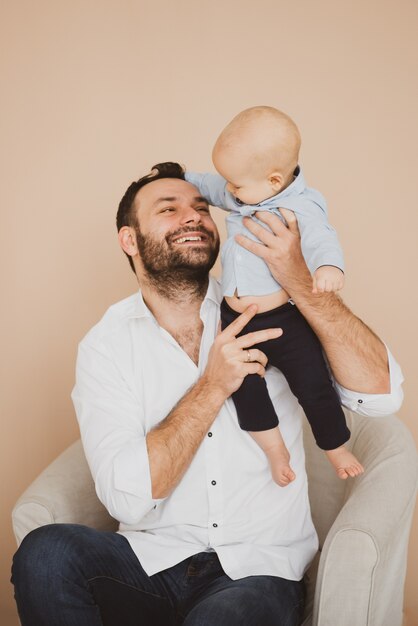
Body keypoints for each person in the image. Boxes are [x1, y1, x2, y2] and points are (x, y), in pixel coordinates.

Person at [11, 162, 403, 626]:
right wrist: (213, 385)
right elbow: (128, 501)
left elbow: (380, 398)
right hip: (150, 563)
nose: (193, 216)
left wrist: (300, 281)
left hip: (259, 571)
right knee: (46, 552)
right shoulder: (106, 345)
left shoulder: (268, 310)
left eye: (200, 207)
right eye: (169, 209)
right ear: (129, 240)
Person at [186, 105, 362, 486]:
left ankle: (335, 447)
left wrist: (329, 268)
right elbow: (209, 185)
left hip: (284, 320)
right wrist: (179, 177)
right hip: (238, 320)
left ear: (274, 179)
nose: (229, 191)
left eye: (235, 185)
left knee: (314, 384)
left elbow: (320, 238)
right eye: (228, 183)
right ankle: (273, 448)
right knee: (243, 385)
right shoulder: (243, 189)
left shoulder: (302, 204)